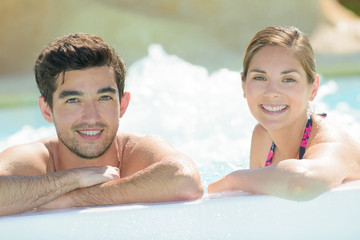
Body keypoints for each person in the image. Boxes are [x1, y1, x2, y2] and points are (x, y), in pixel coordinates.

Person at [0, 33, 203, 216]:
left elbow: (186, 181)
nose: (92, 116)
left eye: (104, 98)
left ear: (122, 105)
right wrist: (73, 179)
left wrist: (76, 197)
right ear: (47, 110)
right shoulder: (36, 160)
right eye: (73, 101)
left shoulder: (138, 151)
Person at [208, 26, 360, 201]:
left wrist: (233, 179)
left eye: (288, 79)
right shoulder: (263, 136)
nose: (272, 92)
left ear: (313, 88)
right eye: (260, 77)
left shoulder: (332, 144)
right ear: (243, 85)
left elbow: (301, 183)